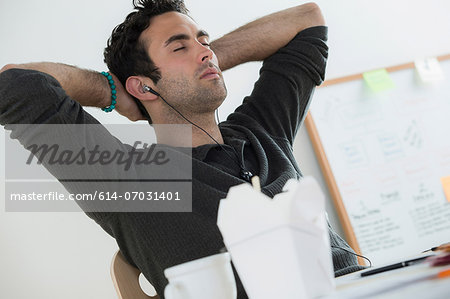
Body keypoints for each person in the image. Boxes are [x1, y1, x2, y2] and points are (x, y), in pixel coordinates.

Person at [0, 0, 365, 297]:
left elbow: (308, 21)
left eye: (203, 41)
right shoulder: (124, 179)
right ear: (143, 87)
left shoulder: (262, 128)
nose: (205, 52)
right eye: (179, 46)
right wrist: (112, 92)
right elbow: (13, 84)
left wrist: (202, 58)